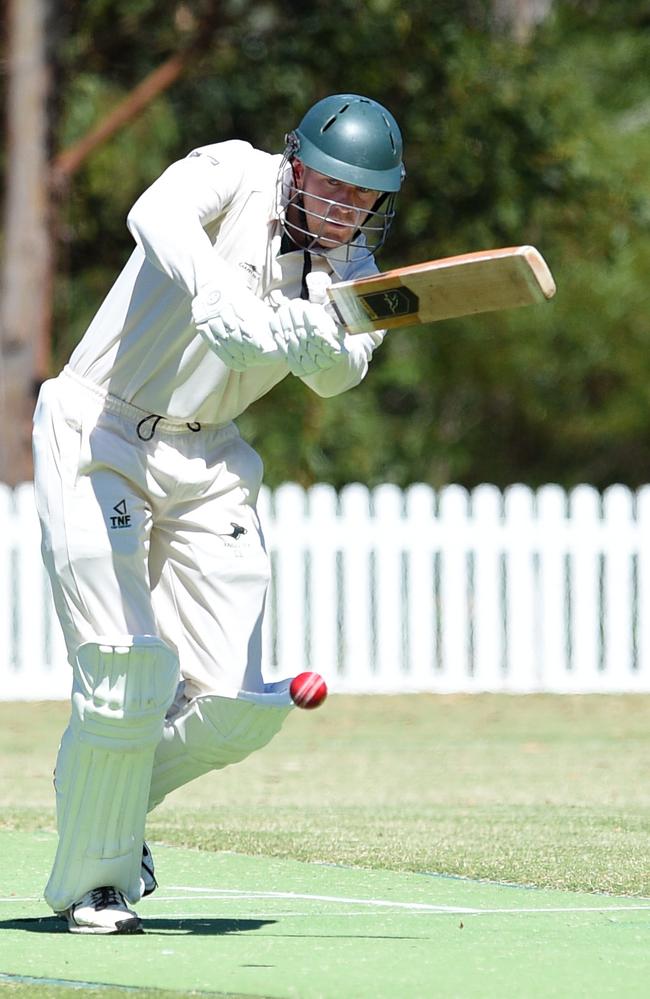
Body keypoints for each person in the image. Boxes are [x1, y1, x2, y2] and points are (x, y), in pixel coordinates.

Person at [32, 93, 405, 934]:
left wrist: (314, 343)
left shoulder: (351, 273)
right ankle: (96, 883)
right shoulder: (235, 172)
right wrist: (214, 293)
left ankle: (102, 791)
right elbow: (152, 209)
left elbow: (344, 370)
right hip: (100, 427)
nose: (348, 208)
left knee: (240, 707)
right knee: (126, 671)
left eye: (365, 197)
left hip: (210, 457)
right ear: (299, 164)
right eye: (334, 186)